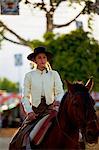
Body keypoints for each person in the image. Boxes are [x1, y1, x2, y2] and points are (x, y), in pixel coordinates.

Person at [21, 46, 64, 122]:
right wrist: (29, 112)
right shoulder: (29, 75)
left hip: (51, 110)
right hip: (35, 112)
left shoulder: (54, 74)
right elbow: (25, 97)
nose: (42, 60)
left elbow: (60, 92)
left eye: (44, 57)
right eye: (39, 58)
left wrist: (57, 101)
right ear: (35, 60)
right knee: (23, 132)